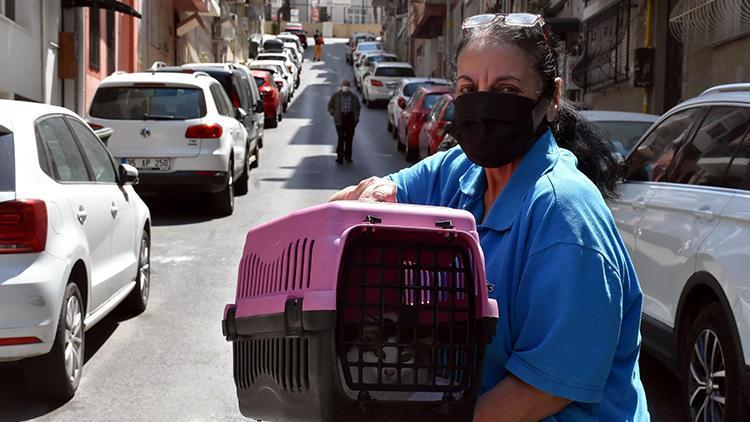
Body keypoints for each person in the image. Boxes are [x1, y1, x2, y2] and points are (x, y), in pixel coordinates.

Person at [330, 13, 649, 421]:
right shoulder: (461, 175)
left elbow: (544, 387)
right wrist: (373, 195)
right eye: (468, 89)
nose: (483, 105)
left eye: (506, 89)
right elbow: (383, 192)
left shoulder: (564, 213)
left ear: (551, 98)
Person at [328, 79, 360, 164]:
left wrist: (356, 118)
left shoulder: (353, 97)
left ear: (349, 87)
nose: (345, 87)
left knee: (349, 139)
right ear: (341, 86)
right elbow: (330, 106)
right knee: (341, 138)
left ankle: (348, 156)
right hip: (340, 119)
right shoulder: (336, 96)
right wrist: (334, 114)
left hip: (350, 118)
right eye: (344, 85)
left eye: (347, 85)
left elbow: (357, 108)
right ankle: (340, 157)